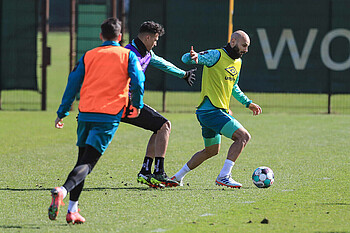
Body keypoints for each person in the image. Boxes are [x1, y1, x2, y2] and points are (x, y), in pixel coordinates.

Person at [48, 18, 145, 224]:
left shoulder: (89, 55)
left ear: (101, 36)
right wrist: (137, 104)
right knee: (88, 163)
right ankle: (63, 191)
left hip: (85, 114)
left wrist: (62, 111)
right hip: (107, 116)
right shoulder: (127, 55)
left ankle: (72, 210)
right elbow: (138, 81)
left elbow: (72, 83)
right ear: (120, 37)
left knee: (81, 160)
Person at [171, 30, 262, 188]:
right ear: (233, 42)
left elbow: (234, 87)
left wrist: (248, 103)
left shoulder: (238, 62)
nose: (246, 50)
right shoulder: (216, 55)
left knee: (211, 150)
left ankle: (177, 177)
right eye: (244, 46)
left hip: (211, 113)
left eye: (248, 47)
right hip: (211, 111)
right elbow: (186, 58)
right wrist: (193, 57)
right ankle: (224, 176)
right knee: (243, 137)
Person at [122, 21, 197, 188]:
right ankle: (159, 173)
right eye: (155, 39)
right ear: (147, 37)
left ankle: (146, 172)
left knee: (159, 127)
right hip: (123, 103)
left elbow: (163, 63)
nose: (156, 43)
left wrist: (183, 74)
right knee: (165, 125)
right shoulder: (126, 53)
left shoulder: (147, 53)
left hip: (128, 103)